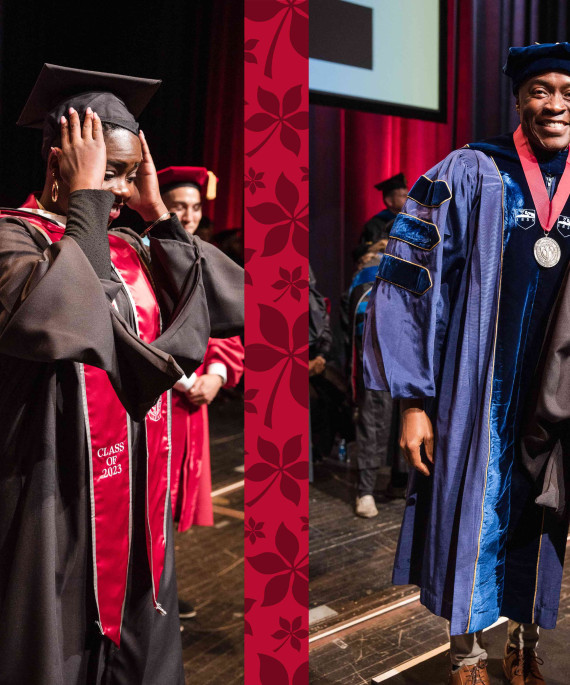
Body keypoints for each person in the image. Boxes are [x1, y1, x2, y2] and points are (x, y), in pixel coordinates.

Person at [0, 64, 243, 684]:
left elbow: (229, 305)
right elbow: (63, 319)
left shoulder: (135, 246)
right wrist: (85, 206)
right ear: (59, 161)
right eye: (104, 173)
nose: (115, 192)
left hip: (140, 500)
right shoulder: (13, 241)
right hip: (54, 498)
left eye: (126, 174)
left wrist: (159, 215)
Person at [363, 43, 570, 684]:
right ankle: (467, 655)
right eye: (540, 90)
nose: (556, 104)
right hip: (474, 386)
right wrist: (415, 402)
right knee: (469, 513)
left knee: (542, 513)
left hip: (555, 390)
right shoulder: (470, 171)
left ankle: (524, 643)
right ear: (518, 99)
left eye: (567, 91)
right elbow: (405, 284)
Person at [158, 166, 244, 619]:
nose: (188, 216)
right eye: (178, 207)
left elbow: (224, 330)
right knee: (151, 498)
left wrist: (213, 375)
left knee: (174, 503)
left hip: (193, 403)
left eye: (194, 208)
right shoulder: (142, 253)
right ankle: (150, 595)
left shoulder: (203, 256)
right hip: (154, 398)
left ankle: (163, 592)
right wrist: (182, 379)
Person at [344, 239, 406, 517]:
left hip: (403, 352)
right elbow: (360, 317)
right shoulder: (369, 272)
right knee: (377, 416)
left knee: (397, 416)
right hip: (377, 350)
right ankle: (367, 489)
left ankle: (394, 482)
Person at [360, 173, 408, 246]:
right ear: (389, 201)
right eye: (403, 196)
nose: (408, 199)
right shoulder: (376, 225)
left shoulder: (411, 221)